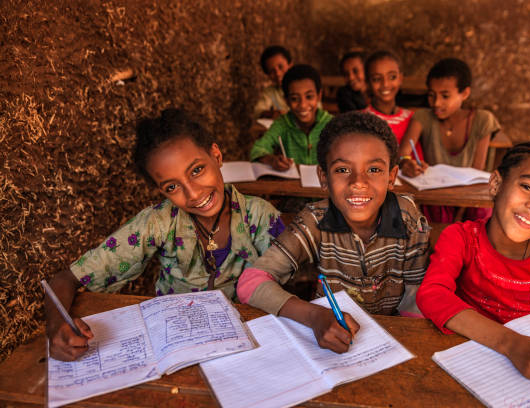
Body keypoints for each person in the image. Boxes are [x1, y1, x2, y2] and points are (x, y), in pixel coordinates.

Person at [45, 109, 285, 361]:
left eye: (197, 170)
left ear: (216, 155)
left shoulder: (259, 216)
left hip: (248, 344)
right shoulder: (158, 222)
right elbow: (65, 279)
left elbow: (288, 279)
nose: (192, 194)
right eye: (172, 186)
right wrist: (56, 325)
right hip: (179, 346)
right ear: (160, 191)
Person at [238, 111, 430, 353]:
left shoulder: (409, 218)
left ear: (391, 177)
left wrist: (407, 346)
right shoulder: (316, 220)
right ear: (324, 178)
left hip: (391, 339)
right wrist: (315, 316)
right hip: (331, 335)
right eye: (342, 170)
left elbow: (415, 297)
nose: (358, 182)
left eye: (374, 170)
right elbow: (250, 282)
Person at [416, 138, 530, 385]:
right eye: (529, 187)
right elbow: (432, 295)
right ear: (497, 183)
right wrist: (511, 344)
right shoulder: (461, 238)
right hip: (470, 362)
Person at [399, 58, 501, 223]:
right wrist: (406, 163)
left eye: (445, 96)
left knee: (483, 212)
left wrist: (460, 211)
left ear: (465, 94)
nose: (437, 103)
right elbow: (403, 153)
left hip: (469, 198)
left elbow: (476, 172)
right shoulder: (423, 117)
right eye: (432, 95)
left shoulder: (483, 120)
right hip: (435, 197)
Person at [250, 64, 333, 171]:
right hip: (292, 186)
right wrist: (272, 160)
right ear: (286, 100)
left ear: (319, 96)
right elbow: (256, 150)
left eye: (309, 97)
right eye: (294, 99)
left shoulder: (331, 125)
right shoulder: (282, 124)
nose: (303, 105)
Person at [362, 50, 415, 148]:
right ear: (367, 83)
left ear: (400, 79)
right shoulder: (361, 120)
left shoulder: (414, 119)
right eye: (377, 79)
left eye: (392, 77)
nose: (385, 84)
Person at [253, 45, 293, 119]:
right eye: (272, 71)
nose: (277, 73)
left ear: (290, 65)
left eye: (281, 67)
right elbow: (257, 112)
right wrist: (271, 114)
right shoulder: (270, 93)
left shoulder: (304, 87)